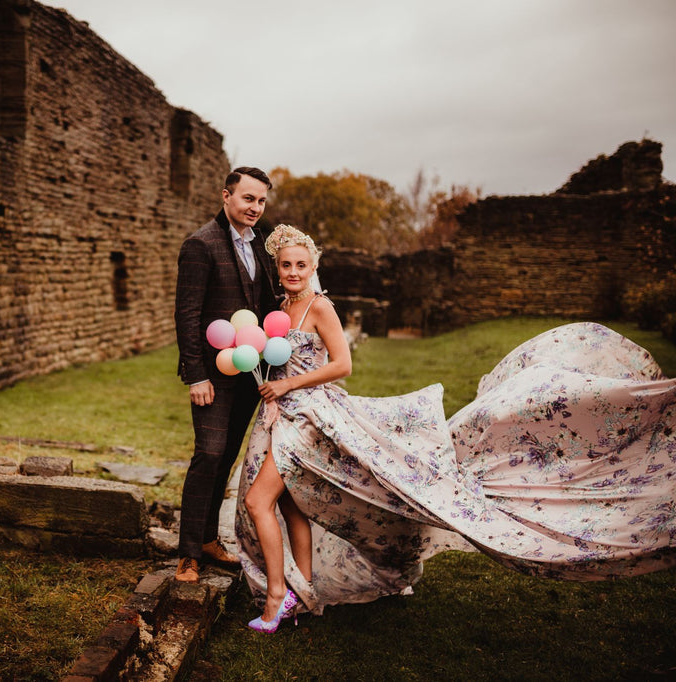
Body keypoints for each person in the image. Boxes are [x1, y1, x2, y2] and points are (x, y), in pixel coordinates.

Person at [236, 224, 676, 633]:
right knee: (292, 504)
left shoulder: (320, 307)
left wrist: (289, 383)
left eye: (301, 264)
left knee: (259, 502)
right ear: (278, 269)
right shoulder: (282, 308)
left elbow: (343, 365)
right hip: (281, 413)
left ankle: (278, 599)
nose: (293, 272)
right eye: (286, 265)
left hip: (311, 418)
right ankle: (303, 593)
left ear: (313, 267)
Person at [173, 166, 282, 583]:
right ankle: (187, 554)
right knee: (209, 455)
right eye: (248, 198)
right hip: (214, 373)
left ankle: (207, 540)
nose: (255, 207)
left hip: (250, 372)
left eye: (261, 201)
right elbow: (187, 314)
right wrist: (195, 376)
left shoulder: (260, 246)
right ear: (226, 196)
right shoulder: (200, 244)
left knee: (228, 458)